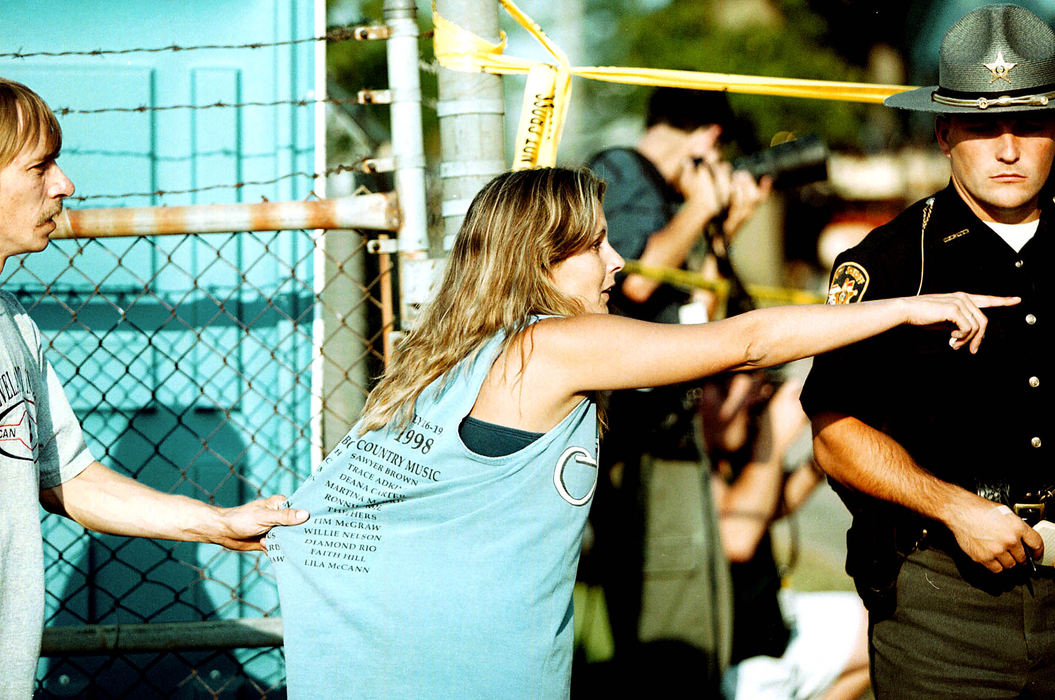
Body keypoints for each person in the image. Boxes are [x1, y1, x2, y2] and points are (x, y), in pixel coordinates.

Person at [266, 165, 1014, 698]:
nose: (616, 261)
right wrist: (905, 307)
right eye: (594, 244)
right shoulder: (549, 344)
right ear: (538, 259)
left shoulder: (440, 358)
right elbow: (746, 342)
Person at [0, 77, 309, 700]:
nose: (64, 184)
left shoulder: (14, 324)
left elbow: (69, 477)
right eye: (40, 166)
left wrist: (218, 522)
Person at [800, 5, 1055, 696]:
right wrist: (953, 508)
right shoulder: (886, 266)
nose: (1007, 149)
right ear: (944, 132)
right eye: (981, 126)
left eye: (1028, 124)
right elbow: (835, 437)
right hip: (946, 608)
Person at [583, 87, 772, 680]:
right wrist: (700, 208)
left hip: (668, 423)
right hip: (639, 428)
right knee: (668, 585)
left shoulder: (662, 195)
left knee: (689, 580)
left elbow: (699, 311)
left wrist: (724, 225)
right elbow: (637, 279)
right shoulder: (622, 171)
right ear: (708, 136)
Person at [704, 369, 869, 700]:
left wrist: (826, 453)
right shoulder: (687, 460)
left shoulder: (724, 451)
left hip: (774, 626)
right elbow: (738, 535)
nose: (760, 398)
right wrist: (773, 437)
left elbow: (766, 507)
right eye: (751, 386)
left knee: (879, 623)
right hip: (740, 664)